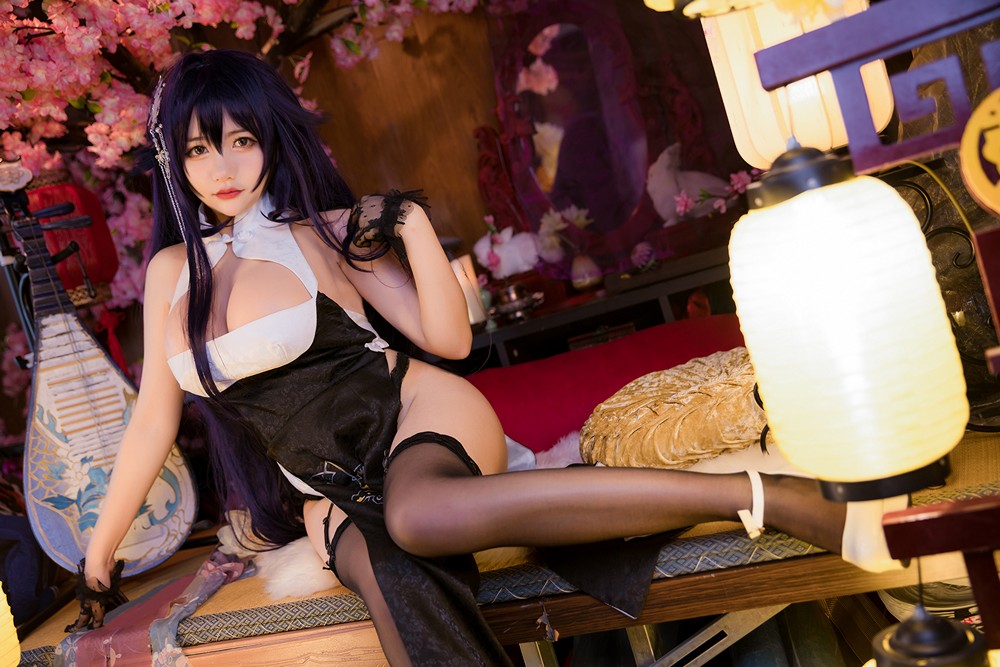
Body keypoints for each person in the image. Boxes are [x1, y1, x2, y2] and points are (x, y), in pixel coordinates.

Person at [68, 49, 903, 666]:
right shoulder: (171, 272)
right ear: (173, 161)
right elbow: (153, 420)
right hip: (333, 488)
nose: (222, 167)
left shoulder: (318, 232)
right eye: (199, 149)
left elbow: (450, 342)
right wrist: (99, 554)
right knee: (395, 575)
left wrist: (412, 227)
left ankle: (763, 495)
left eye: (241, 140)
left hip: (418, 417)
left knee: (416, 517)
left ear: (271, 140)